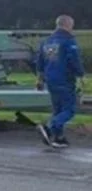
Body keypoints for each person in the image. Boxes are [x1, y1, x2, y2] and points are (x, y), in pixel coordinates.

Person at [35, 14, 85, 148]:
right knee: (69, 110)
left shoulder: (46, 42)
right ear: (68, 25)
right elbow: (74, 61)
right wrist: (80, 75)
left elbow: (40, 63)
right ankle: (49, 128)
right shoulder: (68, 42)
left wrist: (40, 79)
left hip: (50, 80)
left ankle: (59, 138)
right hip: (65, 79)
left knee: (58, 110)